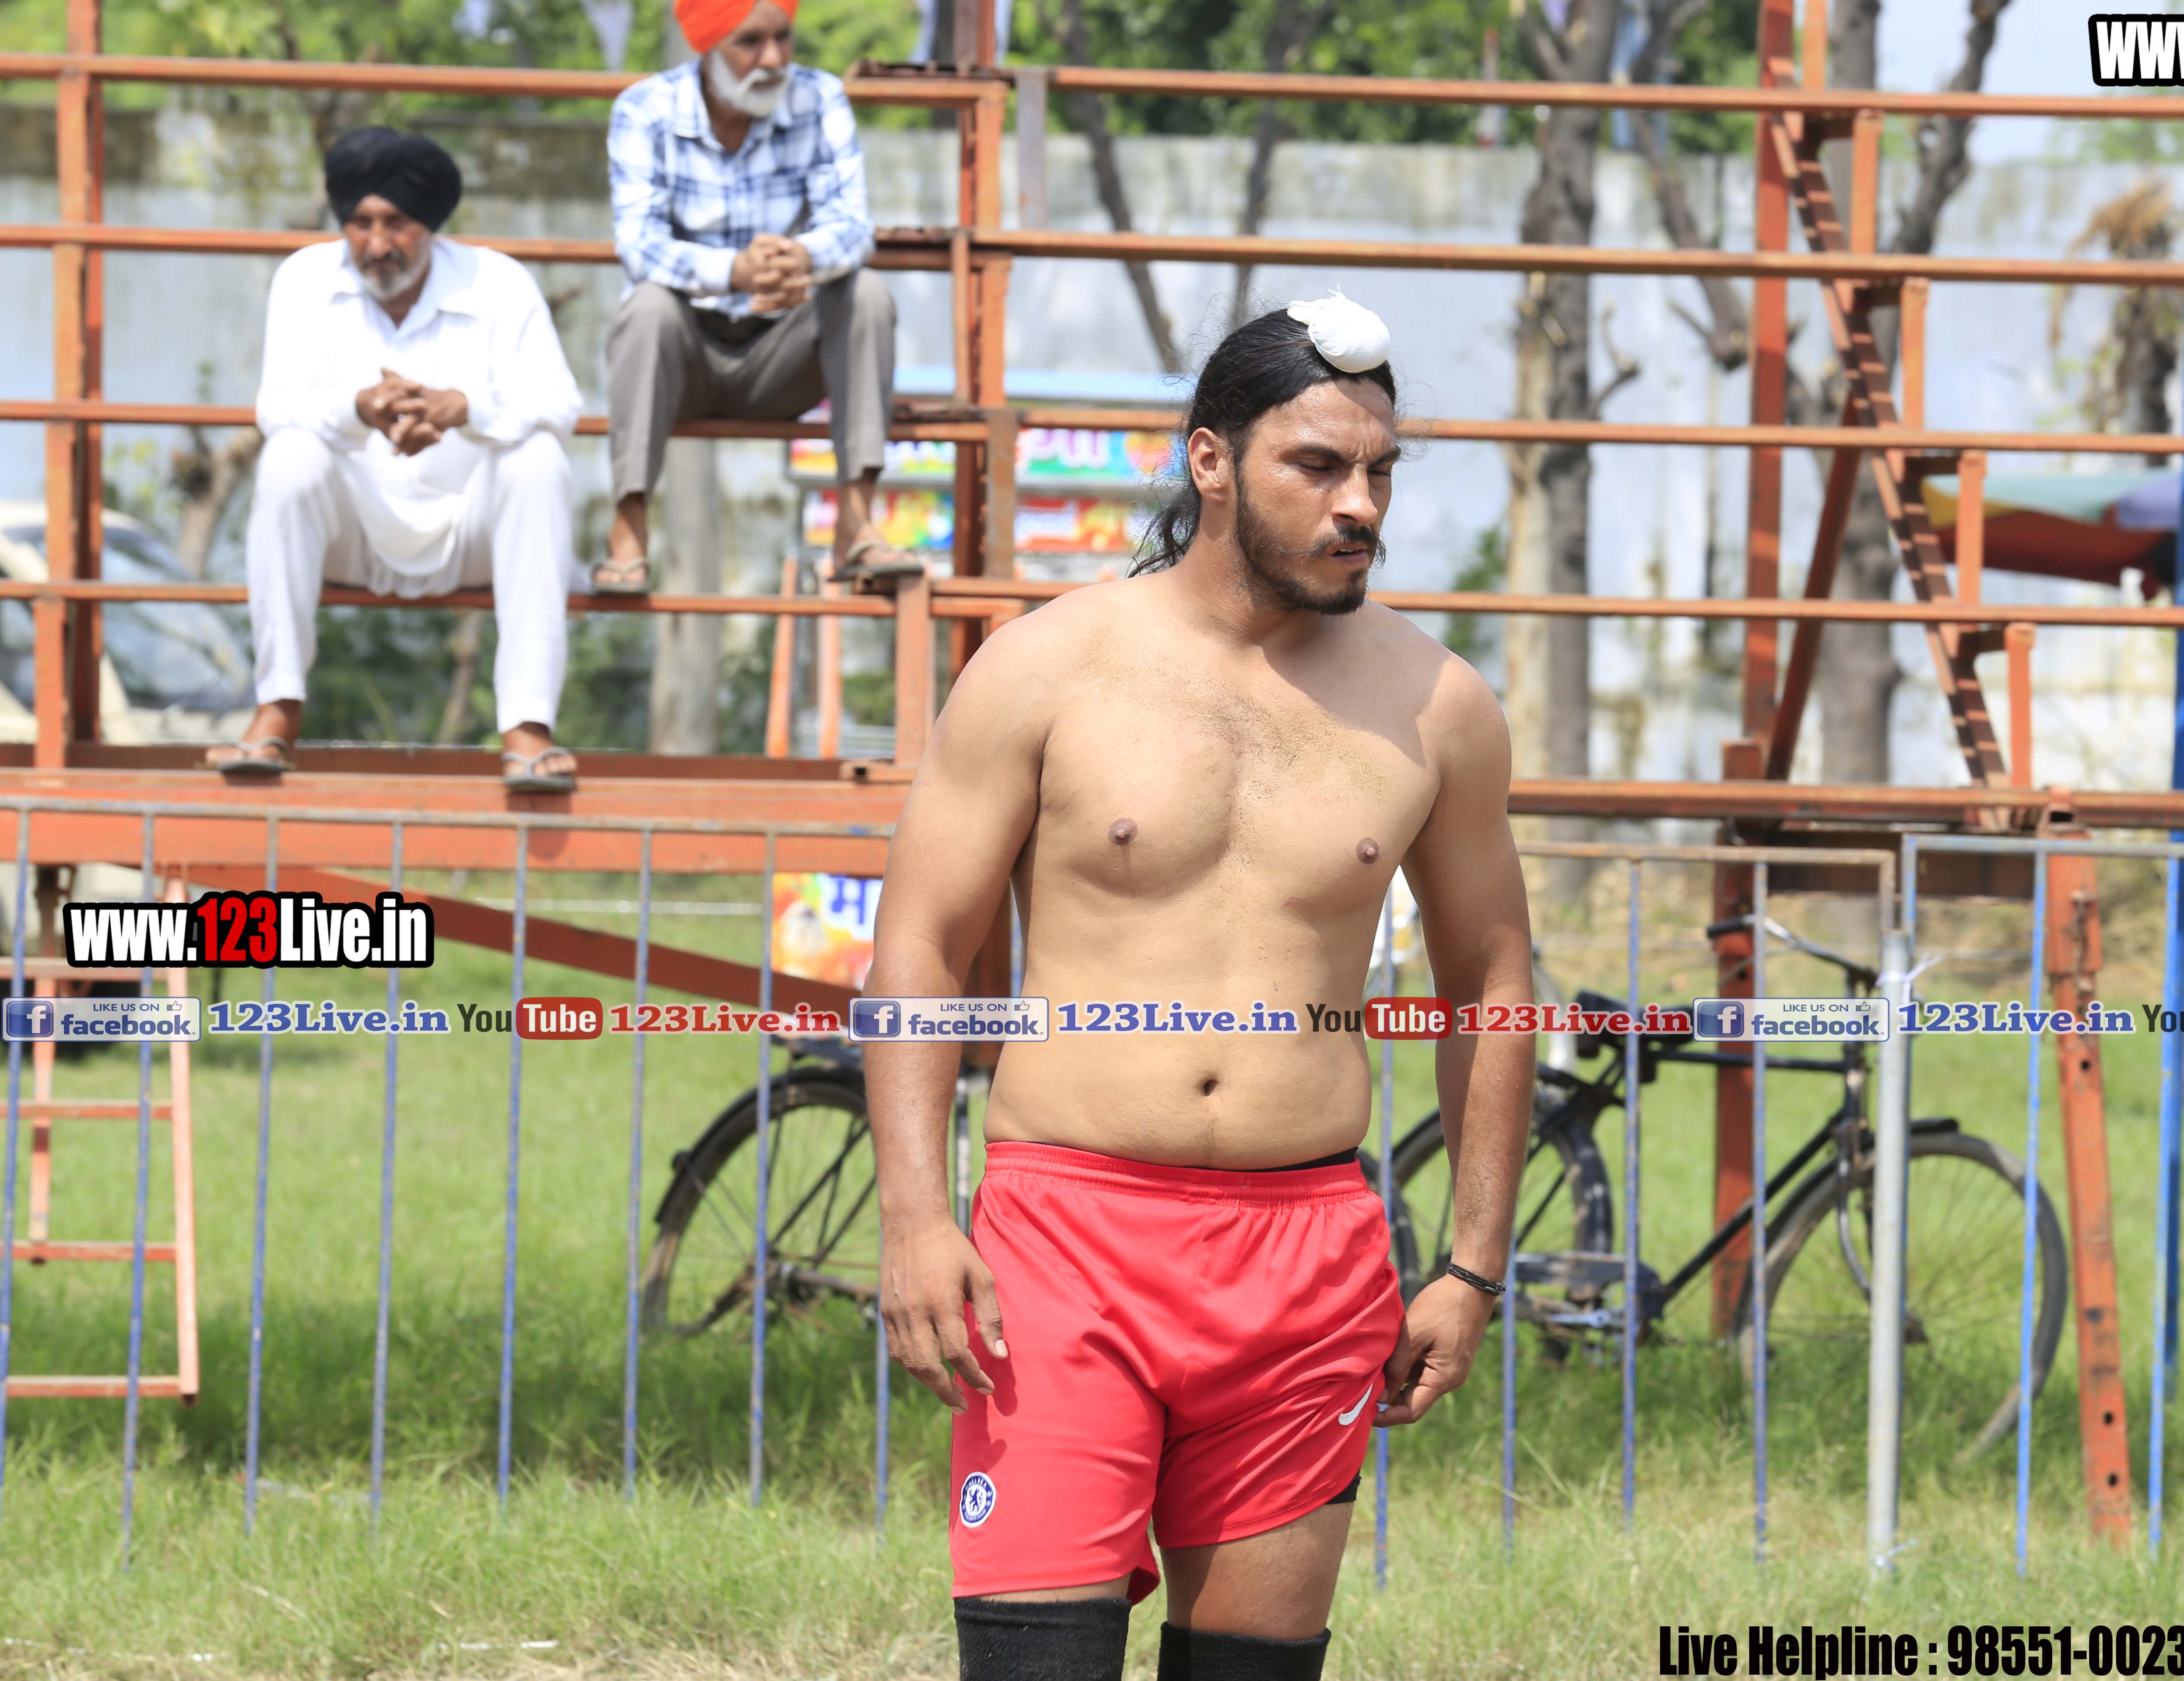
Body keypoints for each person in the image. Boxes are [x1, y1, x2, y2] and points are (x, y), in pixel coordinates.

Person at [864, 297, 1534, 1681]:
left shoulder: (1438, 704)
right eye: (1320, 467)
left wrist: (1474, 1264)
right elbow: (922, 943)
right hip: (1067, 1241)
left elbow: (1492, 980)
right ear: (1212, 460)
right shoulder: (1048, 664)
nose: (1361, 506)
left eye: (1381, 472)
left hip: (1308, 1257)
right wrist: (918, 1218)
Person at [216, 127, 584, 792]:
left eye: (397, 224)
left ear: (431, 225)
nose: (378, 244)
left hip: (470, 534)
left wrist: (464, 408)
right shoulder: (304, 278)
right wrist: (360, 409)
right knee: (289, 456)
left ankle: (528, 726)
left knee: (538, 460)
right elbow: (277, 408)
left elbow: (559, 404)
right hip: (351, 534)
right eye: (361, 223)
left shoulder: (498, 282)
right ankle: (278, 708)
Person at [602, 0, 912, 592]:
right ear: (708, 45)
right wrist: (733, 271)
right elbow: (639, 245)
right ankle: (629, 533)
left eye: (783, 37)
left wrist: (802, 258)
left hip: (784, 360)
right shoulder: (645, 109)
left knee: (866, 295)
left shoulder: (819, 98)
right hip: (685, 362)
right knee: (646, 307)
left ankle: (856, 521)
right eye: (749, 42)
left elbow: (852, 226)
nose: (772, 59)